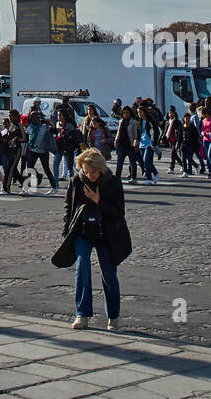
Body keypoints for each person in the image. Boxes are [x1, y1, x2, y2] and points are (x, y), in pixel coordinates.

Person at [53, 147, 131, 332]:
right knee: (82, 267)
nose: (89, 176)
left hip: (106, 233)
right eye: (86, 171)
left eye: (93, 172)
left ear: (101, 169)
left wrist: (98, 201)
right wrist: (66, 232)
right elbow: (68, 208)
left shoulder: (113, 183)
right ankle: (82, 313)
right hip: (83, 231)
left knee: (109, 274)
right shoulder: (77, 181)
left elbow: (119, 213)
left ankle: (113, 316)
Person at [24, 109, 58, 195]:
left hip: (43, 151)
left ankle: (54, 187)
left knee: (46, 169)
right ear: (31, 119)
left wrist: (50, 124)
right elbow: (29, 134)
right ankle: (26, 188)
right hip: (33, 150)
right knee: (29, 169)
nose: (36, 119)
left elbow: (54, 131)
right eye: (34, 118)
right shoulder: (29, 126)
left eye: (37, 118)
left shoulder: (44, 126)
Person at [113, 106, 139, 184]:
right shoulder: (121, 121)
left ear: (130, 113)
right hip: (121, 143)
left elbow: (136, 133)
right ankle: (117, 177)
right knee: (120, 161)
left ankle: (133, 177)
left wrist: (136, 143)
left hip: (130, 144)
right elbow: (118, 132)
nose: (125, 114)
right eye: (124, 113)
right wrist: (116, 141)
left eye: (127, 113)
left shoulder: (133, 122)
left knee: (132, 162)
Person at [2, 110, 25, 193]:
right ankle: (24, 182)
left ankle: (6, 188)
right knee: (13, 169)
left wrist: (16, 139)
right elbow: (9, 135)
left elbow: (24, 138)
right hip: (10, 149)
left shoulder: (19, 125)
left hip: (16, 149)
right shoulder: (11, 125)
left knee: (9, 168)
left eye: (11, 116)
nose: (10, 118)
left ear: (15, 116)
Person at [137, 106, 159, 185]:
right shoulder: (139, 121)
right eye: (138, 112)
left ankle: (148, 178)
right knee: (146, 162)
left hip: (149, 143)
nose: (139, 114)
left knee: (146, 161)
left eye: (141, 112)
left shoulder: (150, 121)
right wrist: (137, 140)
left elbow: (156, 132)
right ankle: (155, 173)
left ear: (145, 112)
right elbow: (138, 132)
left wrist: (154, 144)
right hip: (142, 144)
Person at [162, 107, 182, 172]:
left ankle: (171, 167)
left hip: (175, 139)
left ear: (175, 114)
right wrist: (162, 138)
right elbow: (165, 131)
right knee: (174, 154)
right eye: (169, 113)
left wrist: (178, 140)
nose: (170, 114)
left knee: (173, 153)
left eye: (172, 113)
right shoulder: (167, 121)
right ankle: (182, 164)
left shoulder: (177, 121)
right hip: (169, 138)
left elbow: (179, 131)